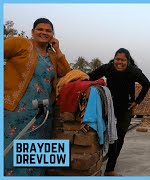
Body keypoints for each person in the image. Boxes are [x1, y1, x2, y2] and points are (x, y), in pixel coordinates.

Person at [4, 18, 71, 176]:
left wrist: (58, 51)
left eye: (48, 31)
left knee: (35, 154)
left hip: (41, 114)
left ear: (53, 35)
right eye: (40, 29)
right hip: (16, 112)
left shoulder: (52, 56)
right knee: (11, 149)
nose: (44, 33)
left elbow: (67, 73)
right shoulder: (20, 44)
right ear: (32, 32)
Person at [88, 48, 150, 176]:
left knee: (119, 136)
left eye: (123, 60)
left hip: (126, 108)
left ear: (127, 61)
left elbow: (146, 84)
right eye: (117, 59)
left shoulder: (134, 72)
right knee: (108, 133)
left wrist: (137, 101)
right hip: (110, 106)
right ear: (114, 59)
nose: (119, 63)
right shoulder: (108, 68)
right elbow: (90, 77)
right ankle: (107, 155)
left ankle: (110, 168)